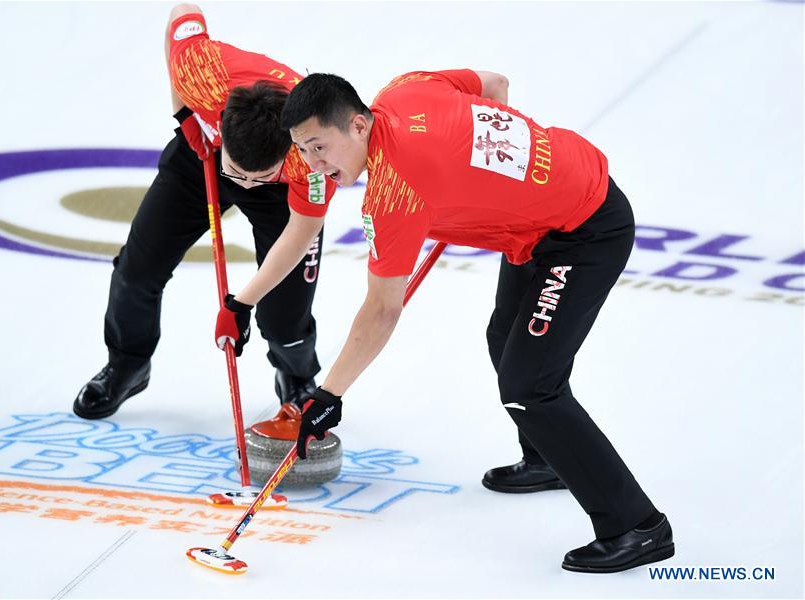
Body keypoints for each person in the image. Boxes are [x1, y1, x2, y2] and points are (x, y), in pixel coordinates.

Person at [280, 71, 673, 573]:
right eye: (304, 151)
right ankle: (548, 458)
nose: (314, 165)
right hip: (538, 221)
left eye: (319, 147)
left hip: (584, 229)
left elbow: (382, 309)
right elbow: (494, 84)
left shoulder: (395, 193)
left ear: (358, 126)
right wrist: (479, 177)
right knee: (504, 338)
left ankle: (637, 526)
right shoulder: (403, 91)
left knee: (531, 387)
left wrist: (328, 396)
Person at [73, 4, 336, 420]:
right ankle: (128, 363)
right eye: (239, 174)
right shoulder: (205, 75)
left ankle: (296, 375)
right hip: (202, 156)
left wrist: (241, 303)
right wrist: (184, 116)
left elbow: (303, 231)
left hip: (283, 195)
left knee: (284, 313)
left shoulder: (317, 153)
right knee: (137, 270)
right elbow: (183, 12)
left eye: (257, 176)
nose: (244, 184)